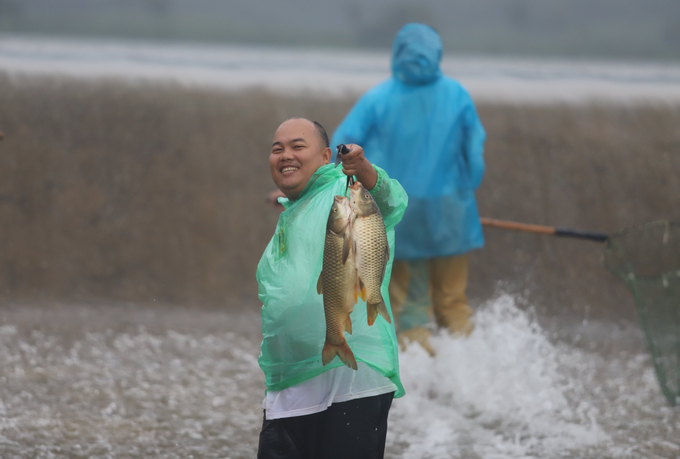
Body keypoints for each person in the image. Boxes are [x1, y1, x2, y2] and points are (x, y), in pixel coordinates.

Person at [257, 117, 408, 459]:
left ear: (326, 156)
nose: (285, 155)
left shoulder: (343, 189)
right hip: (289, 387)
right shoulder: (291, 212)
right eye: (277, 149)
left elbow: (391, 200)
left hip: (351, 383)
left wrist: (363, 169)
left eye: (298, 146)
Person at [331, 23, 486, 356]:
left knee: (410, 303)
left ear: (397, 54)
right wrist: (465, 191)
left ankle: (421, 383)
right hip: (450, 212)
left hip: (398, 211)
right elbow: (474, 155)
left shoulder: (378, 98)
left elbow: (340, 148)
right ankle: (469, 376)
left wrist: (329, 188)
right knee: (453, 301)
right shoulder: (457, 94)